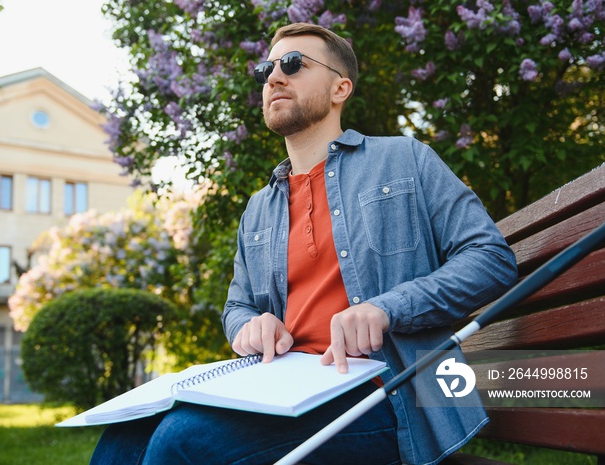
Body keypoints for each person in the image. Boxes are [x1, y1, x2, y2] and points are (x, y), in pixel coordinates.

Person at [90, 23, 518, 465]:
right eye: (267, 69)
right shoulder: (259, 207)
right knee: (124, 438)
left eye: (293, 65)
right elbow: (237, 308)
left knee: (183, 442)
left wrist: (388, 307)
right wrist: (249, 329)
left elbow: (491, 259)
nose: (274, 77)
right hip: (285, 391)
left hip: (389, 393)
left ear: (340, 88)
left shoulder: (405, 160)